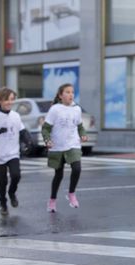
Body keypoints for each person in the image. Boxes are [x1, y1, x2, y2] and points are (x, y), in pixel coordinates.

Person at [0, 87, 32, 216]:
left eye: (11, 99)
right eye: (6, 100)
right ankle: (3, 202)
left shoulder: (16, 116)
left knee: (16, 175)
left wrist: (28, 141)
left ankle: (12, 192)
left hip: (12, 153)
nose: (9, 102)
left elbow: (22, 131)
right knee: (2, 182)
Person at [41, 83, 88, 213]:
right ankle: (52, 200)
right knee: (58, 175)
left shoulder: (77, 109)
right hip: (57, 146)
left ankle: (71, 193)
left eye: (72, 92)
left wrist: (83, 135)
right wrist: (47, 140)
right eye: (67, 92)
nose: (70, 94)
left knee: (77, 168)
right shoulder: (55, 109)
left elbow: (79, 126)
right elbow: (46, 128)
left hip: (73, 144)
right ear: (61, 95)